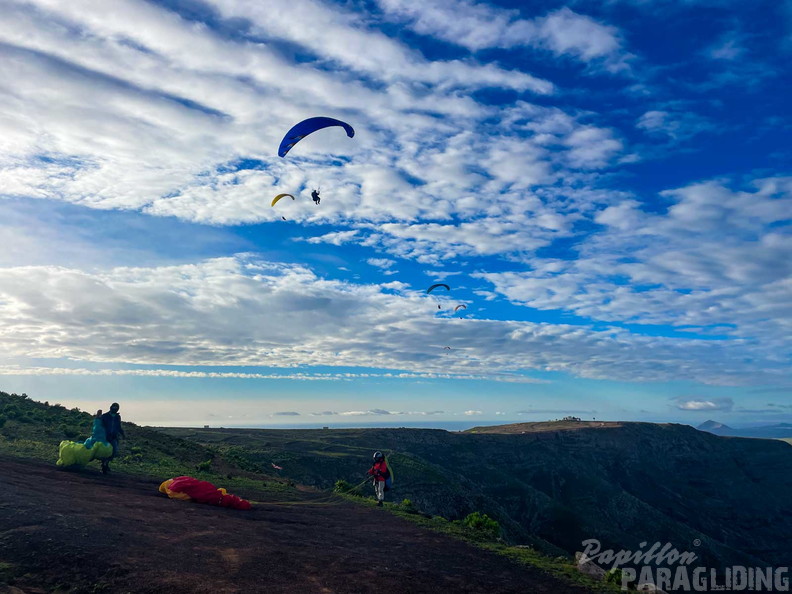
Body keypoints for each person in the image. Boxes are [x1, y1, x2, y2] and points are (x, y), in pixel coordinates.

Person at [100, 402, 126, 474]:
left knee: (114, 451)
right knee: (104, 451)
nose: (114, 409)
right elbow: (100, 426)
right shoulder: (105, 416)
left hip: (114, 437)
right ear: (110, 408)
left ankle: (106, 463)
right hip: (105, 437)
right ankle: (104, 465)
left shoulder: (117, 417)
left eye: (116, 408)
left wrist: (122, 434)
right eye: (113, 408)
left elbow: (118, 426)